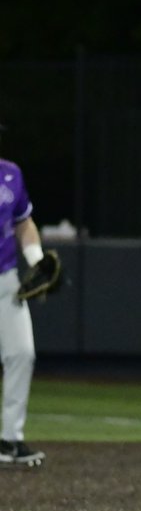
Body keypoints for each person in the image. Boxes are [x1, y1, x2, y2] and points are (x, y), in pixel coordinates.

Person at [0, 123, 52, 467]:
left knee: (22, 353)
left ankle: (9, 441)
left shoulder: (10, 174)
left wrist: (36, 260)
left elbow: (24, 222)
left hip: (5, 278)